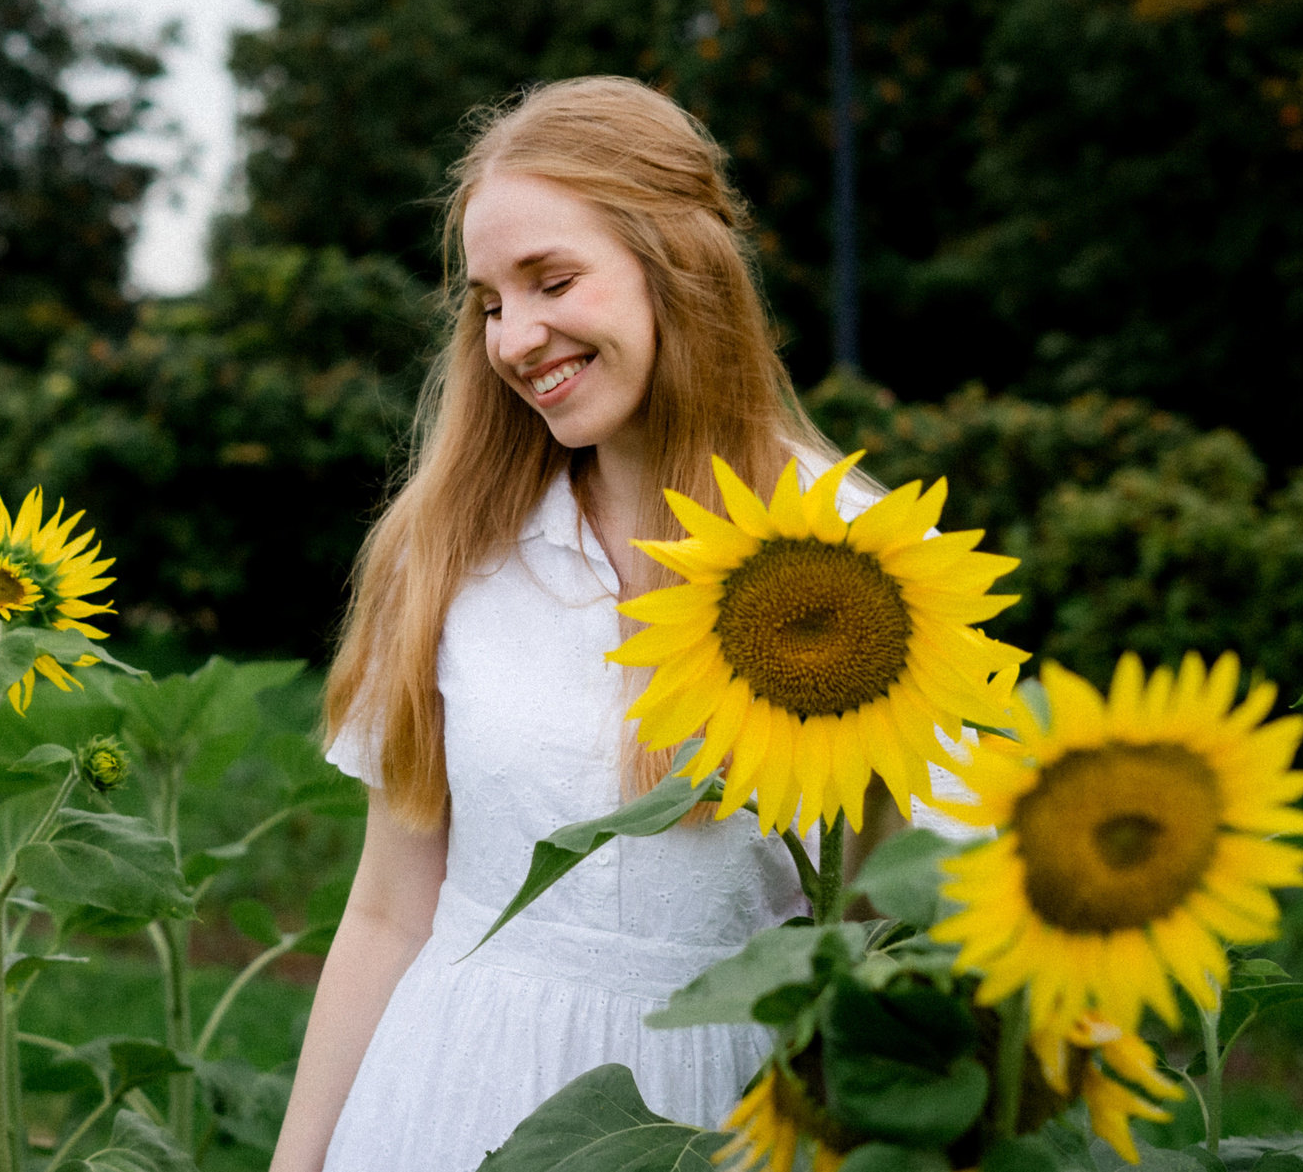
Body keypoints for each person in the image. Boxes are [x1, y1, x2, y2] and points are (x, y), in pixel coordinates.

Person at [269, 77, 965, 1172]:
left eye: (551, 281)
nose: (514, 337)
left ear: (678, 264)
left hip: (722, 1113)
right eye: (489, 302)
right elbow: (388, 913)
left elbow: (922, 914)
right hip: (443, 1094)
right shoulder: (449, 547)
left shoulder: (860, 557)